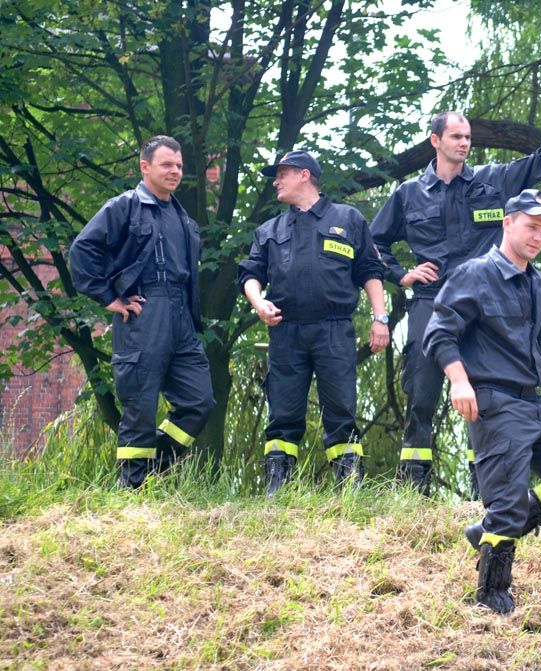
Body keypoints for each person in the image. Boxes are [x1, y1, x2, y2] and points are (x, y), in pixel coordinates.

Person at [371, 71, 541, 495]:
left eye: (468, 138)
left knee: (486, 394)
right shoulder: (408, 194)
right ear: (435, 141)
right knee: (421, 392)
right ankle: (413, 488)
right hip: (431, 301)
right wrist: (401, 274)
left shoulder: (492, 181)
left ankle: (483, 486)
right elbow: (373, 242)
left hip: (485, 304)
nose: (464, 143)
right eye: (456, 137)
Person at [423, 189, 541, 614]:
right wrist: (459, 382)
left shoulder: (538, 284)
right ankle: (491, 595)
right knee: (506, 501)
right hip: (495, 402)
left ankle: (490, 529)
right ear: (507, 224)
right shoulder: (475, 275)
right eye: (531, 227)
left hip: (535, 404)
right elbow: (439, 334)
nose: (538, 237)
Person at [237, 151, 389, 495]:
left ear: (304, 175)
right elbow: (250, 274)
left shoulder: (348, 219)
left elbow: (370, 270)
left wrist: (380, 318)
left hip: (334, 329)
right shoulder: (269, 230)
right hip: (285, 330)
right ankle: (278, 487)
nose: (276, 182)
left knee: (341, 409)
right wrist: (259, 303)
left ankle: (349, 488)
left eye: (282, 174)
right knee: (282, 412)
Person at [70, 135, 215, 488]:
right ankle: (132, 489)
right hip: (145, 311)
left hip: (181, 315)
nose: (175, 171)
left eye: (179, 165)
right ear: (145, 166)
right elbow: (82, 251)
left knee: (200, 402)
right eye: (167, 164)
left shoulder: (183, 218)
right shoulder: (124, 207)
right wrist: (109, 297)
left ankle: (155, 463)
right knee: (140, 404)